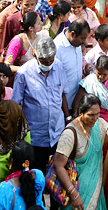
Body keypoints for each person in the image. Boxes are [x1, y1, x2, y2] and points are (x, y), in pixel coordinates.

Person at [12, 36, 71, 174]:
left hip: (57, 133)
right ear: (35, 55)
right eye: (45, 61)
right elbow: (16, 104)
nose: (49, 64)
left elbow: (63, 94)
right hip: (36, 137)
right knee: (37, 175)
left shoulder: (59, 66)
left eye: (51, 60)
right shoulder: (23, 73)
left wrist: (67, 118)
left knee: (56, 176)